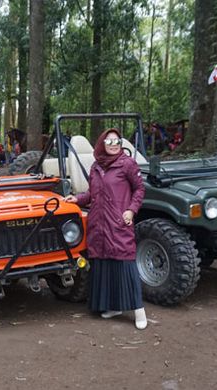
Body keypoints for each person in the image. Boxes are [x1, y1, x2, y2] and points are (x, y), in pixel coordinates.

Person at [65, 128, 147, 330]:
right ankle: (113, 307)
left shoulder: (127, 164)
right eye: (109, 141)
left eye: (117, 141)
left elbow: (139, 189)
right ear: (102, 143)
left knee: (124, 263)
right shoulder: (95, 167)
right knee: (105, 265)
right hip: (99, 224)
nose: (113, 144)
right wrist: (77, 199)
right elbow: (92, 194)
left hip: (118, 222)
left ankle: (138, 310)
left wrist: (131, 210)